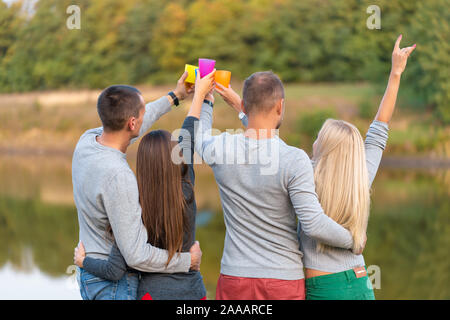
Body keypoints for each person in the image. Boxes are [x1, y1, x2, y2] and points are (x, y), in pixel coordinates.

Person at [217, 35, 415, 300]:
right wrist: (395, 73)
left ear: (324, 148)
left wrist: (243, 108)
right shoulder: (361, 176)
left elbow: (268, 145)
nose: (313, 140)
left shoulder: (305, 173)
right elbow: (379, 129)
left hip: (324, 288)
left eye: (318, 137)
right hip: (359, 281)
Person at [196, 70, 361, 300]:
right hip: (282, 280)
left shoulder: (222, 148)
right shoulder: (294, 159)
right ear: (280, 106)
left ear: (244, 105)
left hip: (235, 277)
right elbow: (313, 224)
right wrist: (353, 239)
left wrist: (205, 100)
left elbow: (198, 137)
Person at [73, 70, 216, 300]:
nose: (144, 116)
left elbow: (131, 122)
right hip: (114, 286)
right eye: (141, 113)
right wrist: (188, 261)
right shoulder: (121, 178)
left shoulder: (86, 142)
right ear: (132, 122)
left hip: (91, 275)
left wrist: (175, 96)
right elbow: (136, 256)